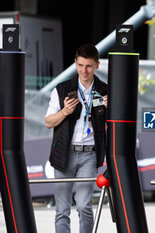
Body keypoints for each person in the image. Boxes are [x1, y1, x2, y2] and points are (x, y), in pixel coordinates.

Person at [45, 44, 108, 233]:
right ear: (75, 63)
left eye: (88, 66)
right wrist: (65, 111)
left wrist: (109, 110)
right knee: (62, 209)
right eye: (80, 65)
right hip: (64, 153)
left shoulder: (105, 90)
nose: (84, 70)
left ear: (97, 65)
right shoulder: (62, 89)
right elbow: (48, 122)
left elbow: (115, 124)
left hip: (89, 154)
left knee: (83, 206)